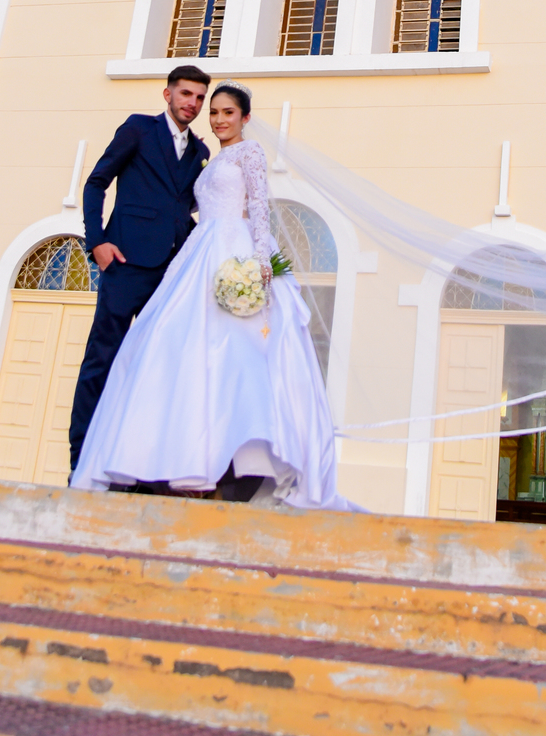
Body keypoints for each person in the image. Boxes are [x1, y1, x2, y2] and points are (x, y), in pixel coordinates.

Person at [72, 81, 350, 509]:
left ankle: (219, 462)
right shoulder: (205, 155)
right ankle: (167, 455)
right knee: (170, 348)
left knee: (229, 354)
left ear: (245, 118)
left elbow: (259, 207)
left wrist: (260, 262)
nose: (218, 119)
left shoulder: (249, 153)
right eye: (213, 111)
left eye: (227, 112)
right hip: (197, 251)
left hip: (233, 249)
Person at [69, 64, 211, 475]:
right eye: (186, 94)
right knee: (103, 357)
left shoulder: (200, 153)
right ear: (168, 94)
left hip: (171, 272)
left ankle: (133, 462)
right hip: (125, 262)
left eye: (200, 98)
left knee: (154, 365)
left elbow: (183, 209)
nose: (192, 103)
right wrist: (97, 241)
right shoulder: (138, 129)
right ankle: (81, 460)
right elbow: (97, 182)